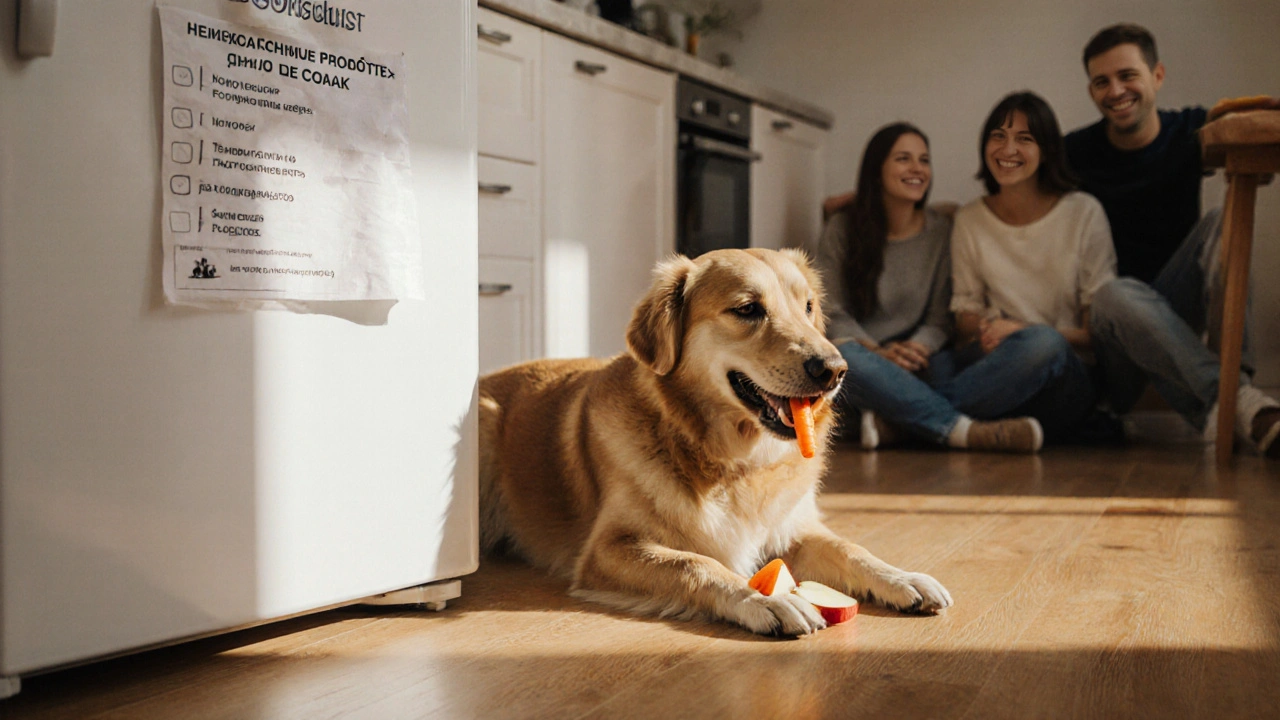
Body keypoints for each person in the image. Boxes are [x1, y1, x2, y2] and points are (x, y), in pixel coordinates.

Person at [1065, 23, 1280, 457]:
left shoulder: (1191, 130)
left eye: (1128, 75)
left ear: (1157, 76)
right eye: (1102, 81)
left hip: (1177, 312)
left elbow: (1260, 160)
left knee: (1223, 219)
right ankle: (1241, 402)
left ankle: (1231, 398)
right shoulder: (1074, 152)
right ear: (1091, 92)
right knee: (1115, 292)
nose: (1116, 90)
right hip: (1113, 340)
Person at [816, 122, 1043, 453]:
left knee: (973, 362)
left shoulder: (941, 232)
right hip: (861, 354)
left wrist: (915, 350)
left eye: (924, 160)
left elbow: (940, 318)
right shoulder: (842, 228)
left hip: (921, 362)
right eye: (903, 159)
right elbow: (830, 308)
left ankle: (895, 420)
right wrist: (876, 353)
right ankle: (963, 431)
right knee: (842, 357)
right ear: (876, 170)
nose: (917, 169)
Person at [946, 91, 1117, 443]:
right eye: (998, 136)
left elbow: (1094, 334)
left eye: (1024, 139)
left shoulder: (1084, 213)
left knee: (1043, 343)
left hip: (1066, 377)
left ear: (1047, 150)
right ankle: (960, 427)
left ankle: (910, 418)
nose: (1008, 150)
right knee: (930, 363)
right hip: (996, 366)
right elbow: (964, 317)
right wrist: (989, 329)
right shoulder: (970, 219)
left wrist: (1020, 331)